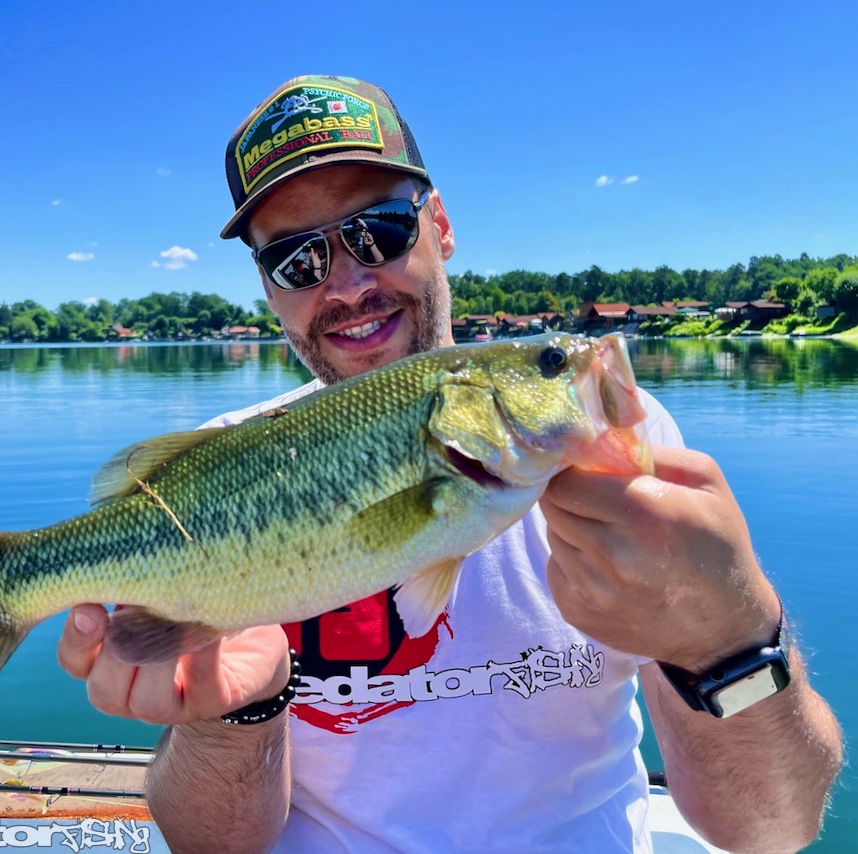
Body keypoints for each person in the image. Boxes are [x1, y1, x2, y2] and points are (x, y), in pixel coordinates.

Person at [58, 75, 842, 853]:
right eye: (297, 261)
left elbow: (769, 831)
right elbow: (210, 845)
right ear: (268, 289)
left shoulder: (623, 458)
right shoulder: (219, 469)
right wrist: (235, 716)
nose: (346, 285)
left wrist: (726, 637)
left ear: (438, 225)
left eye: (378, 232)